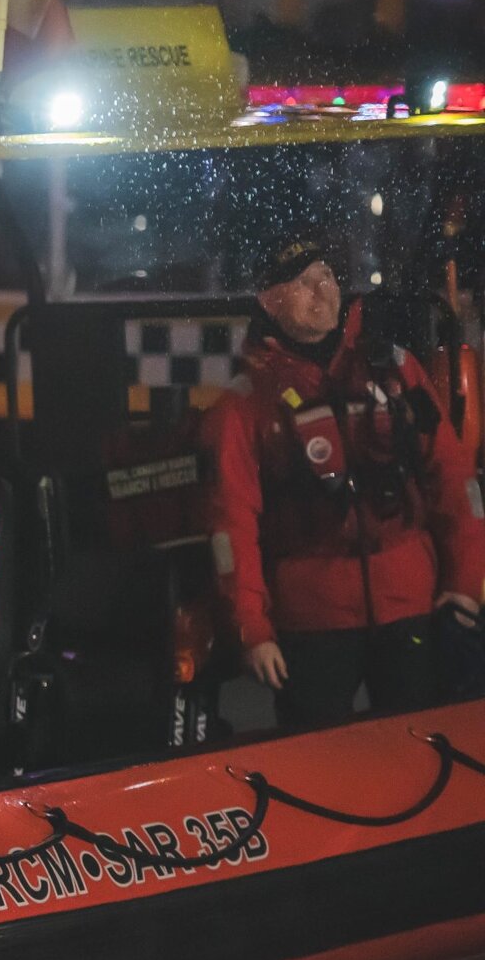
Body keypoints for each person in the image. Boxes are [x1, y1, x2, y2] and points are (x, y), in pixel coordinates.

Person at [202, 232, 485, 730]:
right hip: (312, 621)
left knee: (423, 754)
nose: (323, 291)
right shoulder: (246, 405)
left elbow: (454, 477)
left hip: (412, 607)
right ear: (270, 301)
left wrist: (466, 582)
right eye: (304, 282)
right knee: (314, 767)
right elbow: (232, 526)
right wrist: (253, 631)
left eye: (328, 277)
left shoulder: (394, 369)